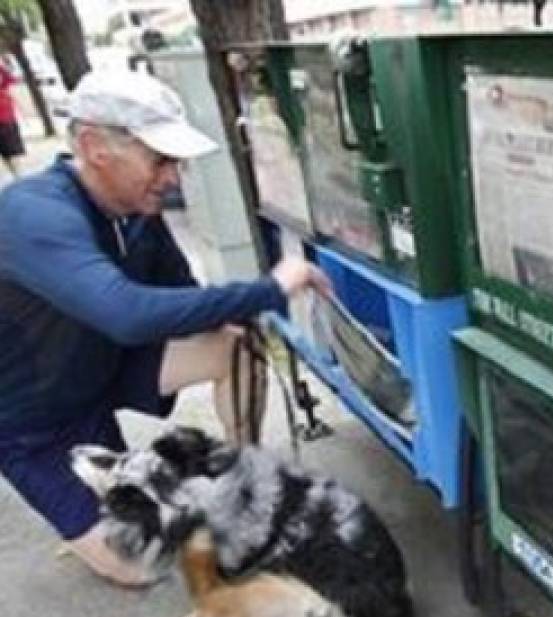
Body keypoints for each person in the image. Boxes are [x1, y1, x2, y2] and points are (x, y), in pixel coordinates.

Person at [0, 69, 332, 587]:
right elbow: (128, 315)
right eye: (159, 160)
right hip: (34, 424)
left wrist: (237, 314)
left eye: (174, 162)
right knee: (139, 566)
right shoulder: (32, 213)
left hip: (100, 371)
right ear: (93, 146)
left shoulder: (136, 209)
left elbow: (182, 293)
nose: (173, 177)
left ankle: (240, 481)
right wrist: (269, 287)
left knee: (235, 346)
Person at [0, 59, 24, 178]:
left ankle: (18, 177)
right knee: (7, 153)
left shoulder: (3, 69)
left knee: (12, 152)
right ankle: (17, 177)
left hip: (5, 117)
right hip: (5, 115)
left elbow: (14, 79)